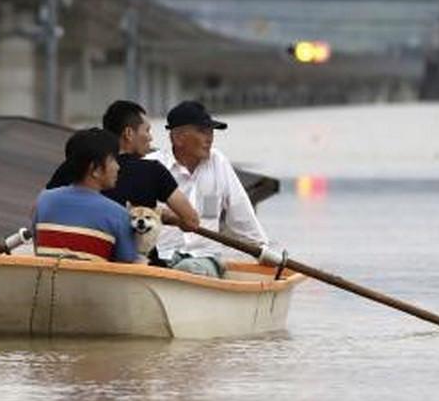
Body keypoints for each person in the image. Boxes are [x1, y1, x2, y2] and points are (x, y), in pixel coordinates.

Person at [146, 100, 269, 277]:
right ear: (178, 138)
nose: (210, 138)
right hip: (159, 257)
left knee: (189, 270)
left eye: (211, 131)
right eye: (202, 131)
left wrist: (263, 251)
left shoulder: (218, 162)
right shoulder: (151, 165)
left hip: (204, 259)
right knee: (163, 270)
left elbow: (240, 213)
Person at [46, 101, 200, 234]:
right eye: (147, 130)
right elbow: (191, 221)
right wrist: (156, 215)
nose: (150, 138)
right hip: (137, 263)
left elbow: (41, 209)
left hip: (82, 258)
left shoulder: (74, 165)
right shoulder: (153, 171)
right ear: (128, 133)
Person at [31, 128, 138, 263]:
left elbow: (38, 250)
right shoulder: (119, 215)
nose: (118, 167)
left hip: (47, 282)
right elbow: (127, 269)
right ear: (96, 170)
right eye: (113, 160)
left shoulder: (44, 200)